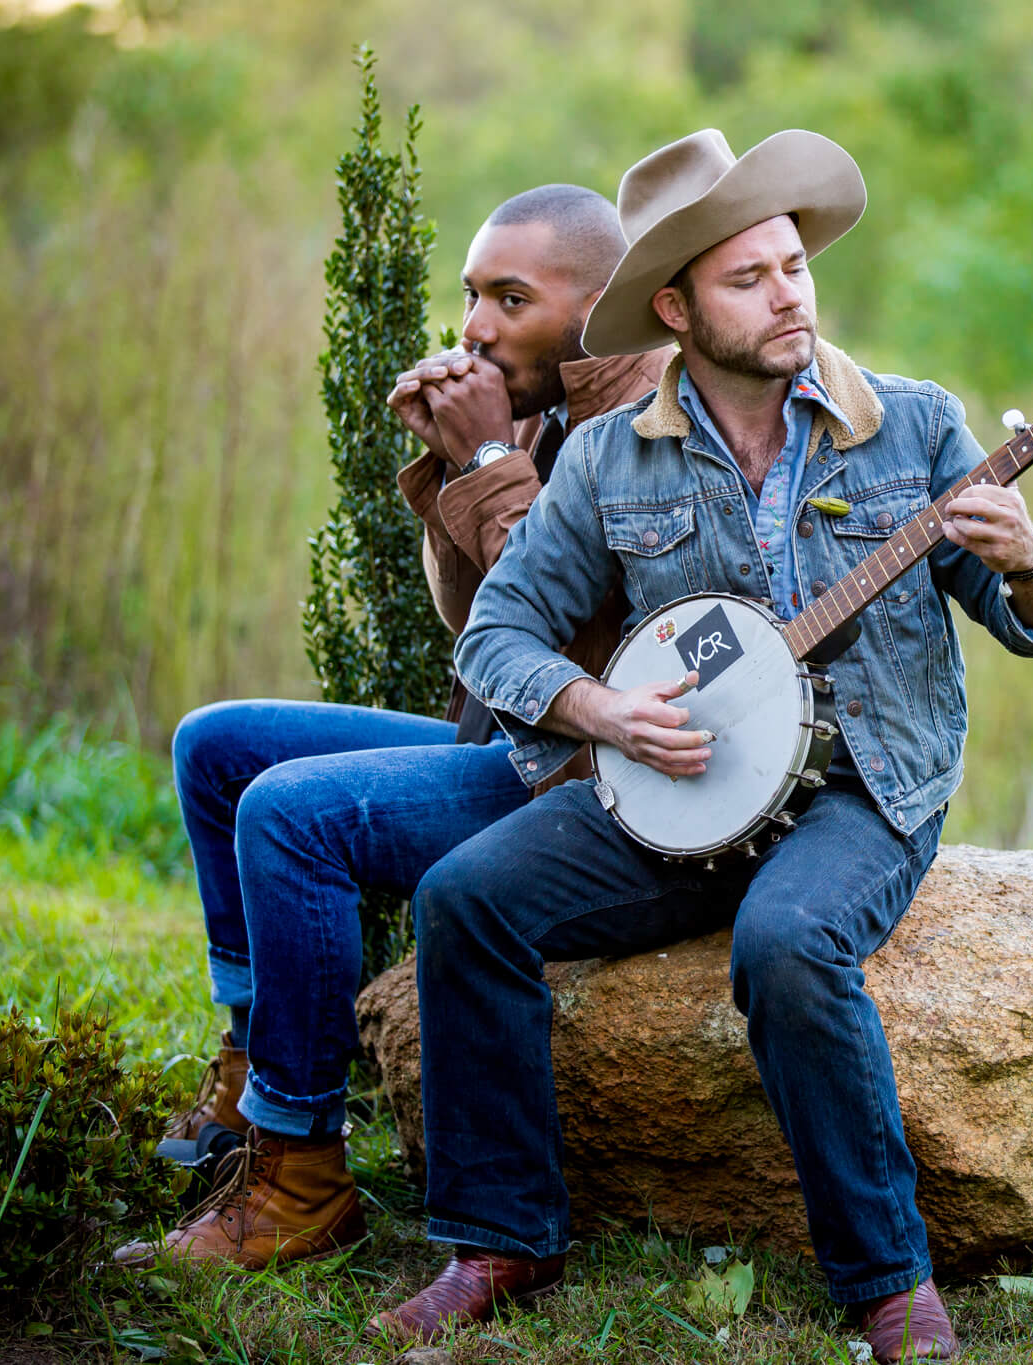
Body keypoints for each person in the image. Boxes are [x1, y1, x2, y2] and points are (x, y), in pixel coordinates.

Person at [369, 130, 1033, 1362]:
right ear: (674, 307)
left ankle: (886, 1286)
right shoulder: (607, 455)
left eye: (793, 267)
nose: (789, 294)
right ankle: (500, 1239)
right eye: (748, 278)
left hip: (860, 787)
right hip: (680, 782)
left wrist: (1025, 562)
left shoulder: (910, 427)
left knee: (788, 939)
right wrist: (596, 712)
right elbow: (495, 637)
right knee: (465, 899)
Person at [114, 185, 670, 1271]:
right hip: (509, 737)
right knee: (218, 746)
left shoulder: (641, 416)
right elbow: (477, 630)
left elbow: (559, 636)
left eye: (511, 298)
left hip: (585, 774)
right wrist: (456, 474)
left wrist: (480, 467)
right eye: (471, 295)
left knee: (290, 817)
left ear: (599, 309)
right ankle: (247, 1069)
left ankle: (302, 1174)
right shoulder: (548, 404)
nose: (473, 327)